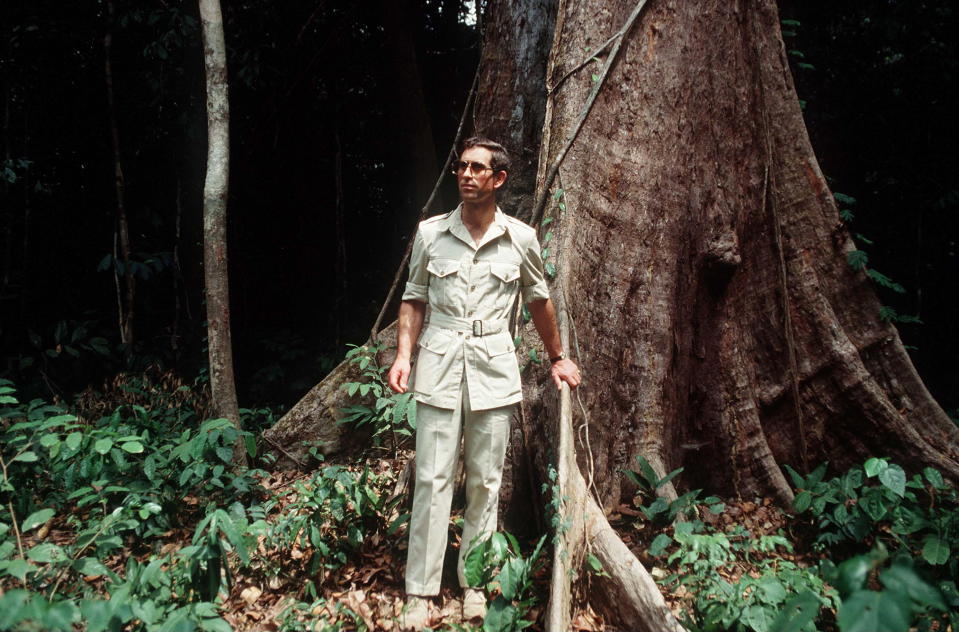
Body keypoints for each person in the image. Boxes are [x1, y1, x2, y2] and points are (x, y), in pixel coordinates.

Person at [387, 136, 581, 629]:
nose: (467, 175)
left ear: (498, 179)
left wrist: (558, 357)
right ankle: (421, 591)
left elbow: (539, 301)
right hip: (438, 361)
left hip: (494, 365)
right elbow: (413, 299)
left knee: (485, 482)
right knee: (431, 479)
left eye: (478, 169)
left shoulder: (521, 238)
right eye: (462, 167)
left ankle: (474, 582)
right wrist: (404, 356)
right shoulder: (431, 234)